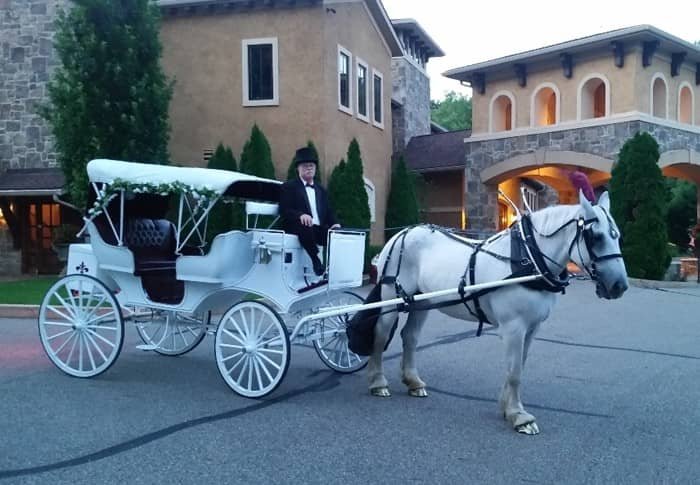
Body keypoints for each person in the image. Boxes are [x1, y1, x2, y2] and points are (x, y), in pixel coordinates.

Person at [279, 147, 340, 276]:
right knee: (305, 225)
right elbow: (284, 210)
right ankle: (316, 260)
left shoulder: (321, 190)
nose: (309, 168)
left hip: (317, 230)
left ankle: (336, 268)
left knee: (338, 234)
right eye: (305, 166)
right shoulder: (289, 187)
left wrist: (335, 224)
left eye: (312, 166)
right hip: (297, 227)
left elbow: (328, 211)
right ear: (298, 168)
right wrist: (300, 215)